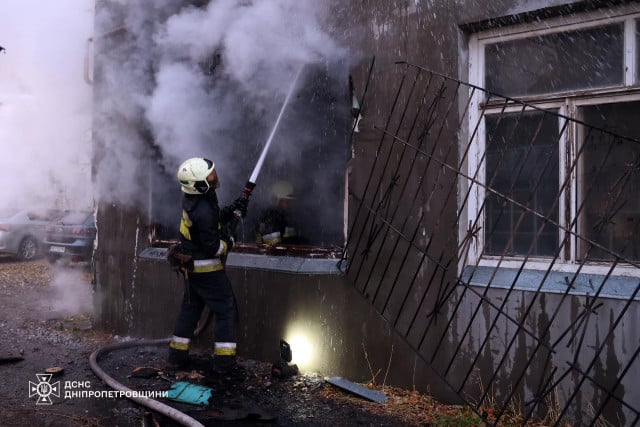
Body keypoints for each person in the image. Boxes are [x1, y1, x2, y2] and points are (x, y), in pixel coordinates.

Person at [167, 157, 248, 374]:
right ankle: (224, 364)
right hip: (207, 270)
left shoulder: (196, 201)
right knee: (226, 309)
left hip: (193, 271)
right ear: (199, 184)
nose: (215, 178)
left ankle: (176, 356)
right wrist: (230, 242)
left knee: (190, 310)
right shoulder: (202, 208)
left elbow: (211, 222)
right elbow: (214, 247)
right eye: (210, 176)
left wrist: (230, 211)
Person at [255, 180, 303, 245]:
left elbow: (292, 240)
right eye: (286, 201)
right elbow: (274, 247)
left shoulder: (288, 216)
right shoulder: (270, 217)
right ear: (277, 201)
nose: (290, 204)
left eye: (291, 201)